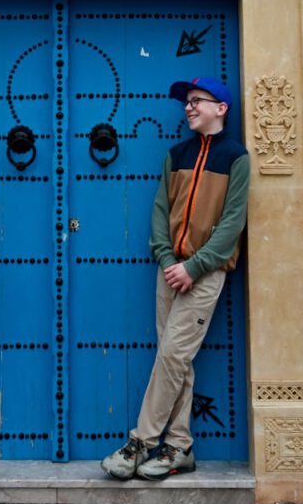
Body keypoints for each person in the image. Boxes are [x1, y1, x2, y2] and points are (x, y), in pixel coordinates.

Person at [101, 75, 250, 481]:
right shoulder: (176, 154)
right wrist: (168, 259)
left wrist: (194, 266)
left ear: (221, 108)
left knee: (171, 355)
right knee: (175, 359)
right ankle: (179, 447)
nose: (188, 107)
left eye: (197, 101)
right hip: (169, 270)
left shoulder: (236, 158)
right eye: (186, 102)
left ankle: (141, 442)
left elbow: (232, 222)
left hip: (205, 272)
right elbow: (159, 210)